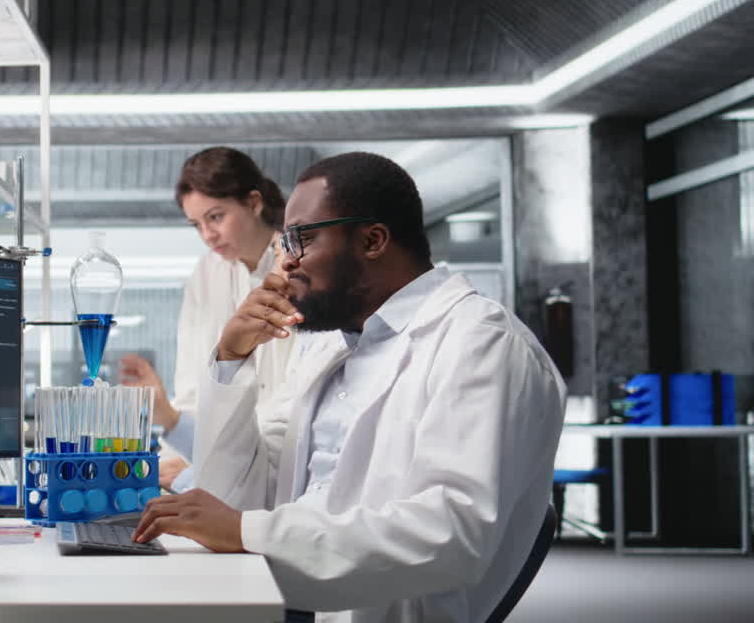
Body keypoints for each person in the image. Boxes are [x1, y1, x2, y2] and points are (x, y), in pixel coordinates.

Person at [132, 152, 567, 623]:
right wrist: (232, 360)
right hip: (293, 602)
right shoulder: (331, 349)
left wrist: (246, 532)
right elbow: (238, 494)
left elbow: (447, 535)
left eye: (302, 239)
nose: (286, 262)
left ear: (373, 240)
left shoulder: (480, 343)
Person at [119, 147, 303, 492]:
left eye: (216, 217)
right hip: (215, 462)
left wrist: (204, 469)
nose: (207, 235)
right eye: (197, 225)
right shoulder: (205, 274)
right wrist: (183, 455)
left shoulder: (296, 267)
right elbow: (194, 384)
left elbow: (291, 400)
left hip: (280, 466)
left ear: (253, 202)